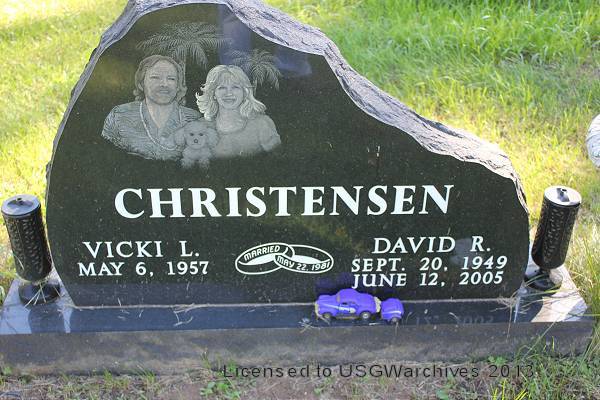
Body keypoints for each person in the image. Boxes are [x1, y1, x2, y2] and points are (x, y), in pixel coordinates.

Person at [101, 55, 201, 160]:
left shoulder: (195, 119)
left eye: (171, 79)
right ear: (141, 84)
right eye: (155, 77)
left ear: (178, 86)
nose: (164, 84)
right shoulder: (119, 116)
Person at [195, 65, 280, 158]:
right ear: (213, 94)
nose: (229, 93)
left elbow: (278, 160)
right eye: (222, 88)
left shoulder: (261, 124)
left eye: (235, 87)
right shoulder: (199, 126)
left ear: (245, 93)